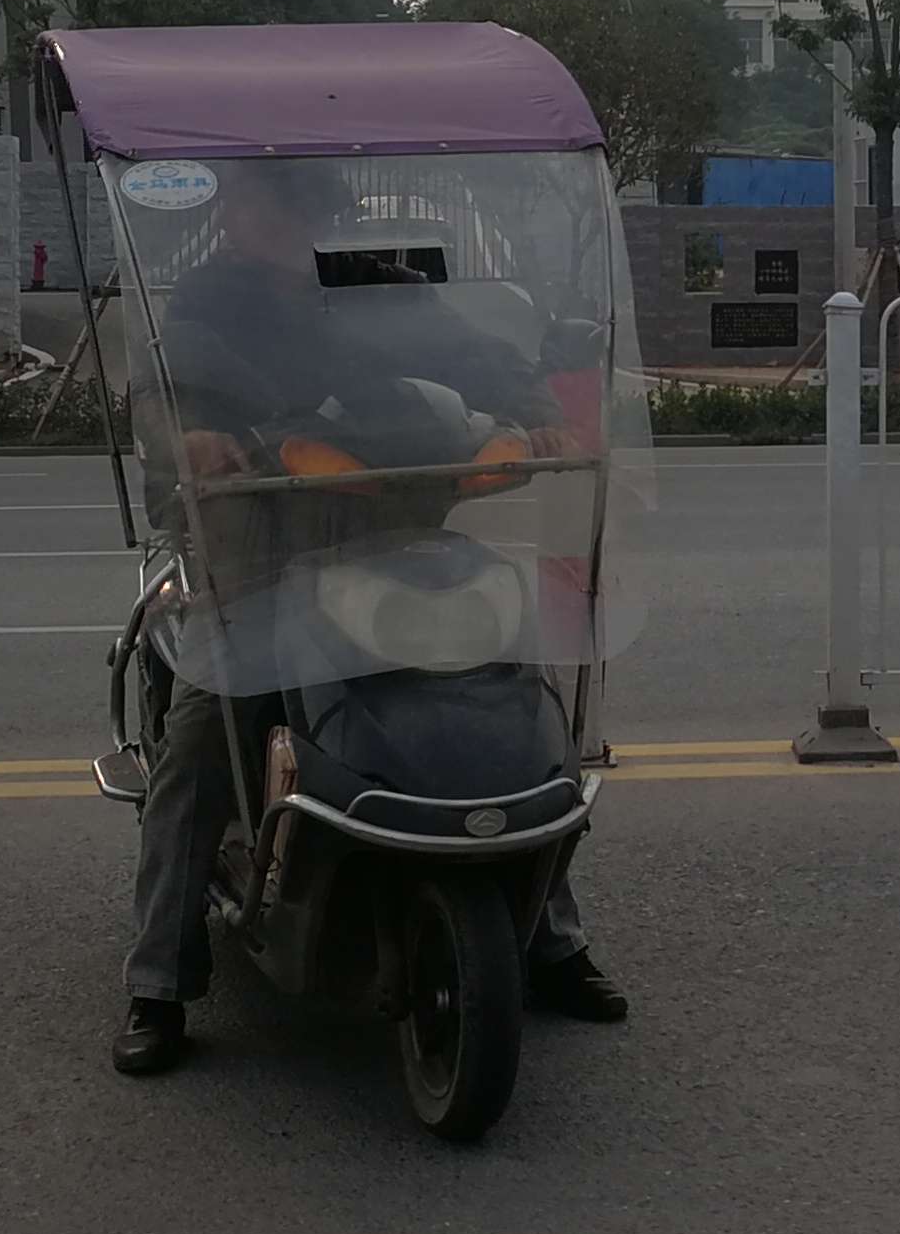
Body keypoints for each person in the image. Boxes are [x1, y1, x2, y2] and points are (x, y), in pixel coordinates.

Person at [115, 157, 626, 1074]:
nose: (232, 218)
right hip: (258, 544)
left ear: (307, 213)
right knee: (202, 738)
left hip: (393, 531)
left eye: (251, 203)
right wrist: (187, 439)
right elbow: (160, 388)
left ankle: (552, 937)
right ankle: (159, 979)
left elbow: (481, 358)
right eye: (234, 204)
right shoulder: (208, 297)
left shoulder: (377, 284)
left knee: (516, 702)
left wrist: (538, 416)